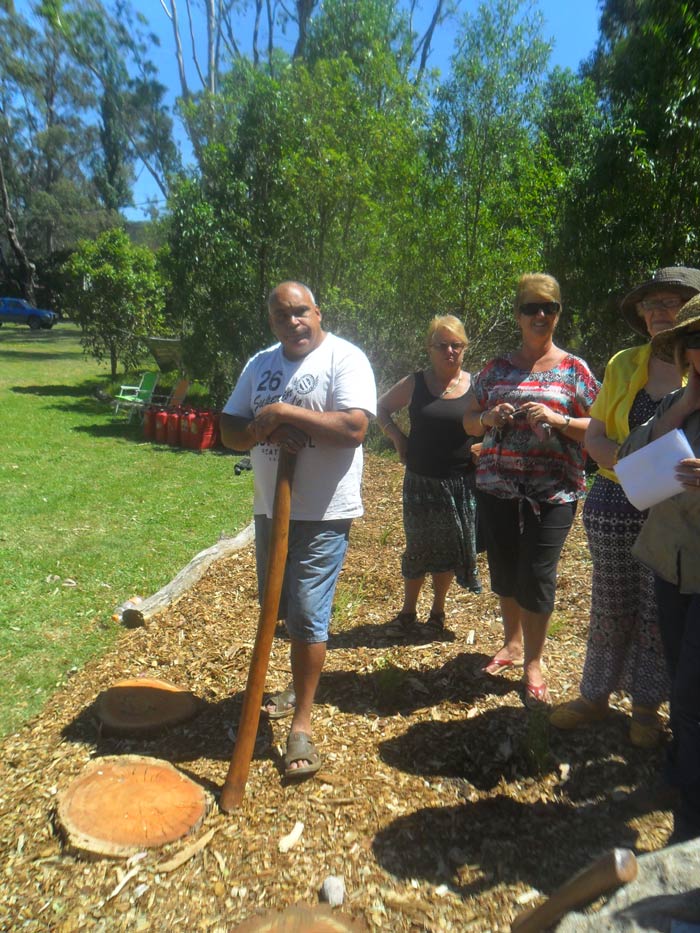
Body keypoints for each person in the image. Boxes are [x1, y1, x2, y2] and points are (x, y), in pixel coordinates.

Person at [220, 281, 376, 778]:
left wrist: (285, 413)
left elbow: (354, 429)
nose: (294, 322)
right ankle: (294, 687)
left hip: (324, 511)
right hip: (271, 507)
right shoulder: (260, 363)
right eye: (283, 315)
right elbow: (229, 431)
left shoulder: (345, 359)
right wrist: (259, 429)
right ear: (272, 321)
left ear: (318, 311)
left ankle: (301, 726)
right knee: (280, 608)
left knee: (309, 612)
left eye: (301, 312)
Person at [551, 267, 700, 746]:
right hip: (615, 499)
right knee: (611, 604)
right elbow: (595, 438)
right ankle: (595, 695)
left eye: (671, 302)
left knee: (661, 614)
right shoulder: (622, 363)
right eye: (651, 304)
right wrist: (640, 467)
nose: (659, 312)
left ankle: (646, 710)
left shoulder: (697, 364)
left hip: (679, 512)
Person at [463, 274, 598, 706]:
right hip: (497, 488)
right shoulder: (497, 369)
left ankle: (534, 661)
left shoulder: (574, 370)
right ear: (518, 315)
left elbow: (601, 427)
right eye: (531, 308)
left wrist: (559, 421)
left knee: (537, 574)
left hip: (553, 494)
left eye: (549, 307)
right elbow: (468, 419)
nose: (540, 315)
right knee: (505, 570)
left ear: (558, 313)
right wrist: (488, 418)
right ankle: (513, 643)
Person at [617, 294, 700, 842]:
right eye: (694, 343)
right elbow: (630, 462)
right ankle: (680, 772)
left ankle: (689, 828)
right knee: (681, 680)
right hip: (673, 563)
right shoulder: (676, 399)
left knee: (694, 695)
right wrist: (683, 406)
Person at [376, 315, 481, 637]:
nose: (450, 351)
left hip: (460, 482)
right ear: (430, 349)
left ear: (464, 348)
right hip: (420, 480)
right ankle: (407, 612)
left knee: (449, 550)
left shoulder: (477, 385)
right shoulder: (416, 382)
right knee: (418, 546)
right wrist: (397, 437)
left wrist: (486, 446)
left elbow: (493, 423)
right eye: (442, 345)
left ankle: (438, 612)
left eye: (456, 345)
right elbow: (380, 408)